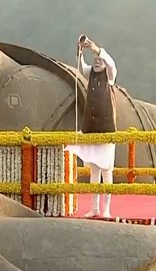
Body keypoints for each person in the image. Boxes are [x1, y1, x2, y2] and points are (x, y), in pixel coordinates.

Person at [66, 35, 118, 218]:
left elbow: (111, 64)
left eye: (99, 60)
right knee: (94, 170)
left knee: (106, 171)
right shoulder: (91, 74)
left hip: (106, 129)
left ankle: (106, 209)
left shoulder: (110, 76)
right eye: (95, 61)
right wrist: (80, 52)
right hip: (91, 127)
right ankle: (94, 207)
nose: (97, 63)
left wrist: (96, 49)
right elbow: (82, 68)